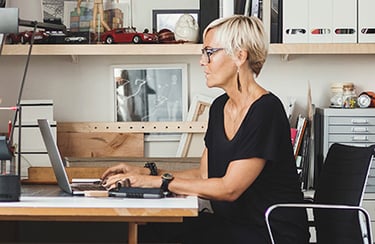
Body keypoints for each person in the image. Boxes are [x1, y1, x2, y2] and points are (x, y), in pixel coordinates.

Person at [101, 15, 309, 244]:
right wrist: (149, 173)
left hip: (270, 233)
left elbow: (229, 189)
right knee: (150, 232)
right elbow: (204, 175)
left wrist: (157, 182)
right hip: (234, 226)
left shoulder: (265, 110)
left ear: (240, 56)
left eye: (209, 52)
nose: (202, 61)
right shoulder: (220, 107)